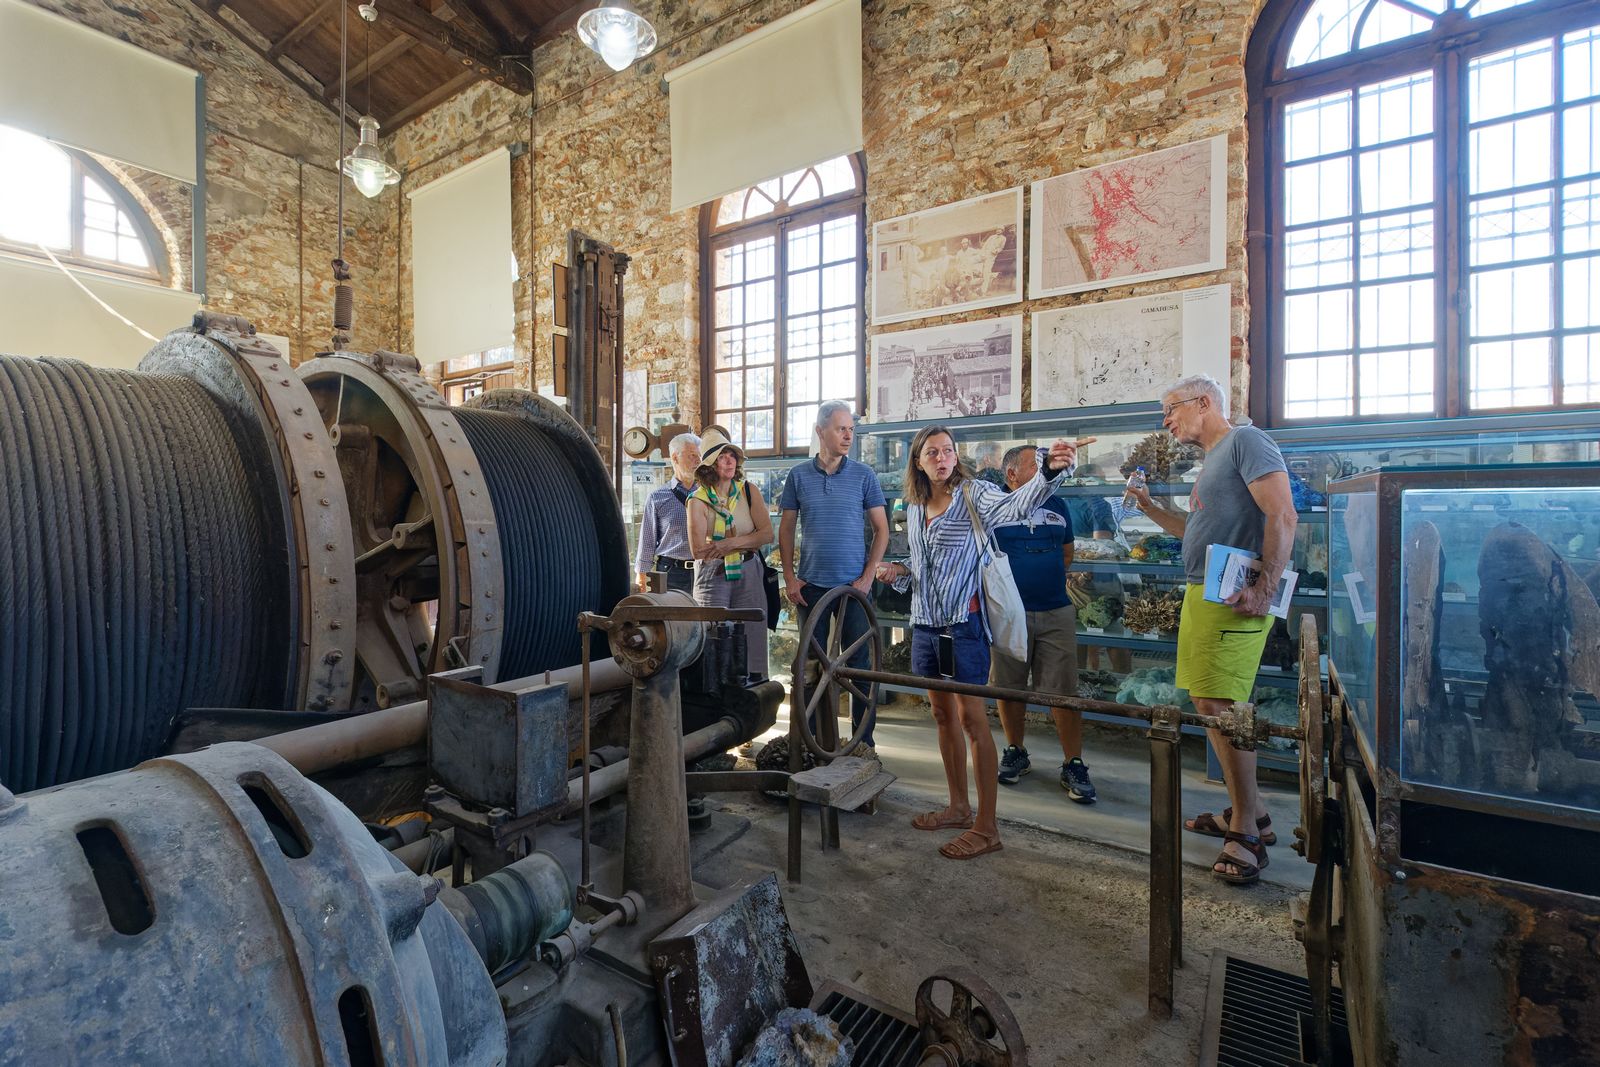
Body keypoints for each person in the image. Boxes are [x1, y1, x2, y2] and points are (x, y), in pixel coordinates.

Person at [875, 427, 1080, 861]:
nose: (942, 458)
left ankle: (987, 826)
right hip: (925, 626)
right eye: (933, 452)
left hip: (962, 627)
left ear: (956, 457)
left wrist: (1048, 472)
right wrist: (900, 570)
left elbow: (1016, 505)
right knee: (941, 715)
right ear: (918, 462)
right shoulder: (915, 506)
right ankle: (957, 807)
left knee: (972, 720)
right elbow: (924, 563)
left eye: (948, 451)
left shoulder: (975, 494)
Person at [1125, 374, 1296, 886]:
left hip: (1234, 595)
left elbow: (1282, 514)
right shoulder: (1214, 460)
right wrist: (1150, 508)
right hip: (1207, 590)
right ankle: (1253, 812)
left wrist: (1264, 588)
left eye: (1171, 409)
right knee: (1209, 702)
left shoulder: (1246, 441)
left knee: (1224, 706)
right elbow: (1194, 532)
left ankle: (1245, 833)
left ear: (1203, 403)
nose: (1166, 421)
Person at [779, 401, 889, 752]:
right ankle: (811, 744)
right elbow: (786, 529)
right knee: (810, 666)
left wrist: (868, 577)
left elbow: (882, 530)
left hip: (854, 589)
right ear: (820, 431)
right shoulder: (798, 475)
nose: (848, 436)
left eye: (851, 430)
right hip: (811, 587)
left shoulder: (864, 475)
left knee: (860, 666)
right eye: (841, 429)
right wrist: (790, 578)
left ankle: (863, 744)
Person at [990, 446, 1096, 803]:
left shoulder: (1058, 505)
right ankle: (1015, 750)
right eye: (1034, 466)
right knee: (1008, 686)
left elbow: (1067, 553)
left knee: (1063, 690)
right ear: (1011, 475)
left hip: (1055, 610)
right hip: (1008, 614)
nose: (1044, 470)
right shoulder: (994, 506)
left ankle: (1073, 762)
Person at [687, 429, 773, 679]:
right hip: (712, 573)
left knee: (753, 633)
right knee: (713, 635)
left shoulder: (748, 491)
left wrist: (730, 544)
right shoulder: (697, 500)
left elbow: (767, 534)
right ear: (710, 465)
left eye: (732, 455)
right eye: (722, 457)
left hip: (748, 569)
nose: (729, 461)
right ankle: (714, 692)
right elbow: (699, 550)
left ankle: (755, 689)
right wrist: (747, 541)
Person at [634, 432, 702, 595]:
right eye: (692, 455)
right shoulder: (657, 497)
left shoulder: (708, 494)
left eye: (700, 456)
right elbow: (647, 541)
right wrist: (642, 576)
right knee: (671, 612)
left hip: (704, 570)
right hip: (671, 572)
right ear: (675, 458)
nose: (698, 461)